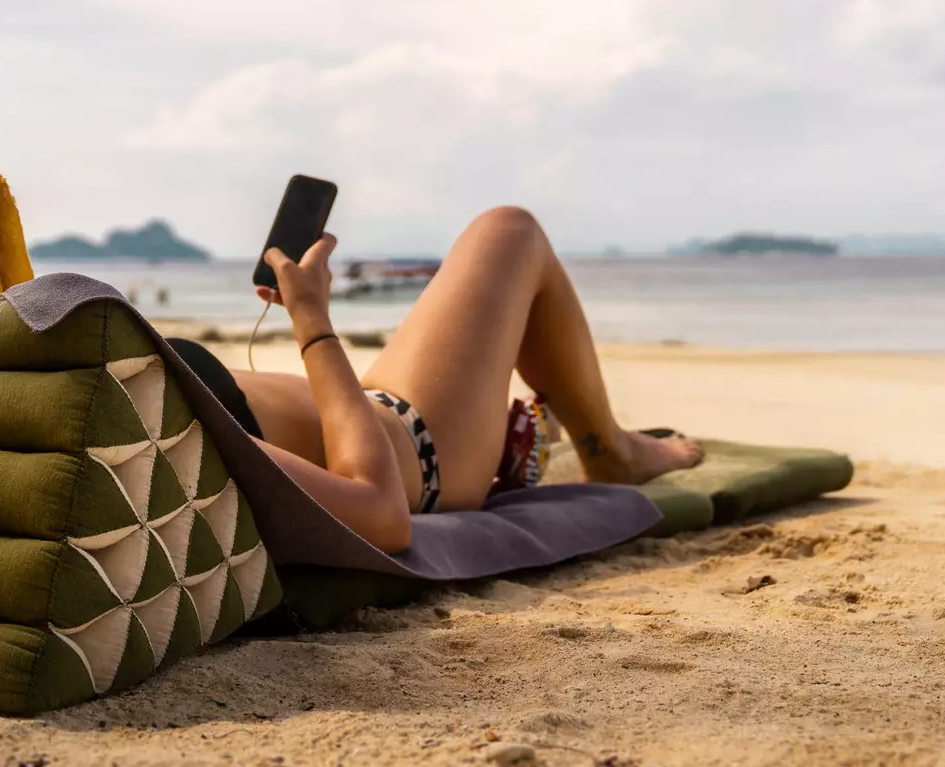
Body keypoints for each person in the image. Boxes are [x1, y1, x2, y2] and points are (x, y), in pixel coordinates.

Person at [169, 207, 702, 554]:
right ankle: (610, 451)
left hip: (376, 410)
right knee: (511, 233)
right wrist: (312, 323)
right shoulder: (149, 430)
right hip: (417, 445)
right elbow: (380, 514)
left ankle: (528, 433)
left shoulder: (114, 384)